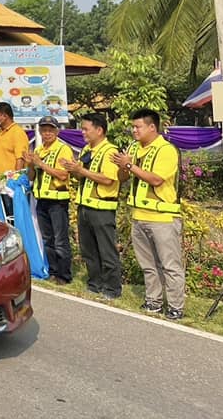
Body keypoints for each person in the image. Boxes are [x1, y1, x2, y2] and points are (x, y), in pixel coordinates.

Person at [112, 109, 185, 319]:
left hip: (162, 218)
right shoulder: (133, 148)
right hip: (139, 216)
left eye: (138, 127)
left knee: (170, 265)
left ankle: (175, 306)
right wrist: (123, 166)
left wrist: (129, 164)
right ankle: (153, 301)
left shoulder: (166, 149)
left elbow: (156, 179)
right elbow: (123, 177)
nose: (134, 131)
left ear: (152, 127)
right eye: (133, 127)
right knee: (148, 265)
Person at [60, 113, 122, 300]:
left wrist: (81, 170)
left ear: (99, 130)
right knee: (88, 249)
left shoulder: (110, 151)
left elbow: (108, 179)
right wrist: (73, 169)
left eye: (86, 129)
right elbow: (81, 175)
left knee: (106, 249)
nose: (83, 133)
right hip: (84, 205)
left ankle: (112, 288)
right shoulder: (87, 149)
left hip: (102, 208)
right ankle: (94, 283)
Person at [24, 116, 74, 285]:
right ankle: (53, 271)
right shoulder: (39, 150)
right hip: (42, 199)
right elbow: (31, 177)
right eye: (44, 130)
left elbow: (63, 175)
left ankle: (64, 275)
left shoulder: (63, 149)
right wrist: (31, 164)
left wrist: (41, 164)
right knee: (47, 239)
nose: (47, 133)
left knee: (60, 240)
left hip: (58, 201)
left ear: (57, 131)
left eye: (50, 130)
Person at [0, 102, 29, 177]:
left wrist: (16, 179)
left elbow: (20, 159)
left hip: (9, 181)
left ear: (5, 116)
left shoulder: (17, 132)